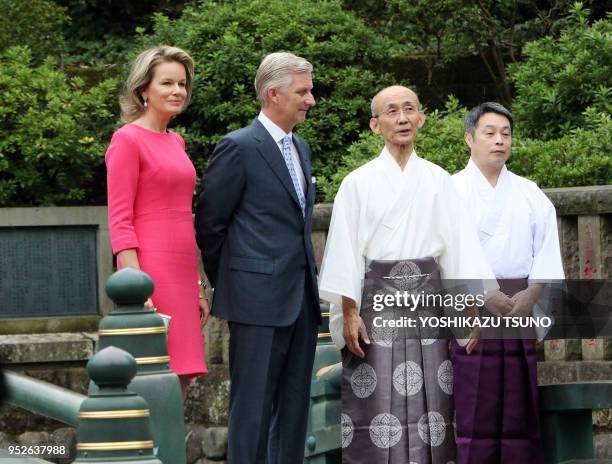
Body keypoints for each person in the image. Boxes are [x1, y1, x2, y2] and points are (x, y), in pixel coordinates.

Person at [318, 85, 497, 463]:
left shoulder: (438, 181)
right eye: (391, 111)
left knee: (435, 402)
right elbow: (345, 251)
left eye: (409, 110)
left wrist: (466, 307)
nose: (401, 118)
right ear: (375, 125)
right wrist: (349, 311)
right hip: (375, 308)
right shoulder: (357, 183)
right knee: (375, 403)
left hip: (429, 307)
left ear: (421, 119)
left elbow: (458, 247)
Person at [195, 52, 321, 464]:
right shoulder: (238, 146)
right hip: (255, 302)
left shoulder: (299, 147)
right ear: (273, 93)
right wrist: (237, 282)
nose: (311, 100)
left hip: (301, 300)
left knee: (294, 409)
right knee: (251, 411)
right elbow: (211, 225)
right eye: (302, 91)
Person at [450, 102, 565, 464]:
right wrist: (480, 297)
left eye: (506, 133)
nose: (499, 140)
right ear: (469, 138)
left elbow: (546, 249)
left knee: (519, 403)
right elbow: (445, 254)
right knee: (473, 402)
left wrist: (533, 293)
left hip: (519, 306)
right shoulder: (450, 191)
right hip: (471, 308)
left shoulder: (530, 192)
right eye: (490, 132)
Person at [106, 46, 209, 398]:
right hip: (151, 272)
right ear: (143, 90)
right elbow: (119, 219)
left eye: (182, 84)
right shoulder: (127, 140)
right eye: (167, 83)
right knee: (151, 375)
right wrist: (136, 285)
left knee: (182, 373)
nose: (177, 91)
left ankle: (167, 451)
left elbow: (183, 218)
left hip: (181, 271)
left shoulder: (176, 141)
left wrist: (197, 283)